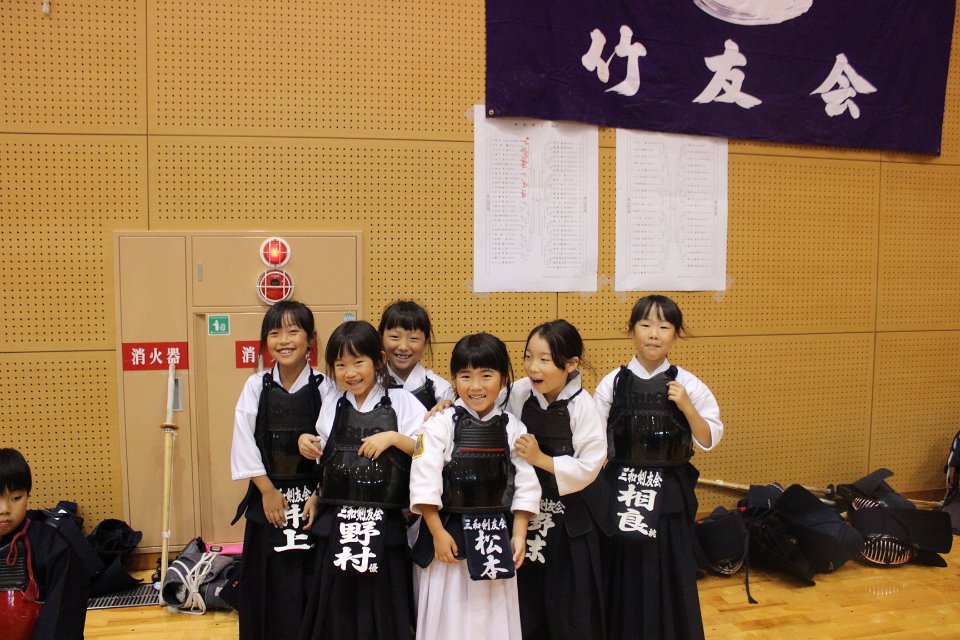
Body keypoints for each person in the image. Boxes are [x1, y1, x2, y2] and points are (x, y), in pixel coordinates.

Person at [592, 295, 723, 640]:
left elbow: (709, 438)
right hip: (623, 488)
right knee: (624, 570)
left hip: (669, 492)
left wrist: (687, 406)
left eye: (664, 327)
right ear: (632, 330)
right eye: (645, 325)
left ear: (675, 335)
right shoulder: (613, 383)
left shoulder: (688, 384)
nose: (654, 334)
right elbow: (593, 441)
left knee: (670, 566)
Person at [297, 320, 426, 640]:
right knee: (336, 603)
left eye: (358, 362)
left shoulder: (402, 402)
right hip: (337, 516)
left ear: (379, 361)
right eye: (340, 365)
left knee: (382, 602)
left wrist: (393, 438)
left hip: (384, 519)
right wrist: (307, 446)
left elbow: (429, 450)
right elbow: (328, 460)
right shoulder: (333, 403)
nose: (350, 373)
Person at [409, 332, 540, 640]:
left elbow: (526, 483)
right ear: (454, 379)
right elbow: (424, 480)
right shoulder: (439, 423)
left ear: (503, 379)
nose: (475, 386)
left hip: (496, 536)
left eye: (486, 375)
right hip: (449, 535)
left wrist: (519, 533)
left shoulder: (513, 426)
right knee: (448, 616)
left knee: (494, 616)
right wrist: (437, 533)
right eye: (465, 376)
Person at [230, 300, 338, 640]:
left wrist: (320, 495)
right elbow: (244, 440)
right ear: (265, 341)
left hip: (314, 501)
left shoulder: (326, 386)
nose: (284, 340)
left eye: (293, 331)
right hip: (270, 498)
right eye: (275, 333)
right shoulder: (256, 385)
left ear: (311, 340)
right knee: (267, 581)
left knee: (312, 580)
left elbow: (336, 445)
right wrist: (267, 491)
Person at [508, 320, 606, 640]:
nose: (533, 367)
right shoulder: (520, 392)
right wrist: (448, 406)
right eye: (528, 357)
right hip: (527, 508)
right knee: (527, 602)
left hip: (569, 515)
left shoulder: (583, 405)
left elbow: (590, 466)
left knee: (568, 601)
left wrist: (542, 459)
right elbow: (485, 409)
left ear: (572, 364)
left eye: (544, 360)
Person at [0, 448, 92, 640]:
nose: (5, 509)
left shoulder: (53, 547)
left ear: (28, 495)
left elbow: (63, 617)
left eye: (16, 498)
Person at [378, 300, 455, 410]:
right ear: (381, 338)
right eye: (394, 337)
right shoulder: (371, 386)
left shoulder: (440, 390)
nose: (403, 347)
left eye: (413, 338)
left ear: (425, 342)